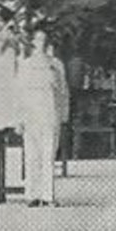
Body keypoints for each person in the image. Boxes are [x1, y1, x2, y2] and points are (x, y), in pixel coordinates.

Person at [16, 35, 70, 207]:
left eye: (45, 41)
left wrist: (64, 115)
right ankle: (32, 195)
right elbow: (18, 95)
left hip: (50, 114)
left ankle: (48, 196)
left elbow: (63, 92)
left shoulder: (56, 65)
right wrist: (18, 119)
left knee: (48, 155)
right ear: (32, 44)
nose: (41, 45)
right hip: (30, 115)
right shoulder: (24, 65)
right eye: (38, 41)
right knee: (31, 156)